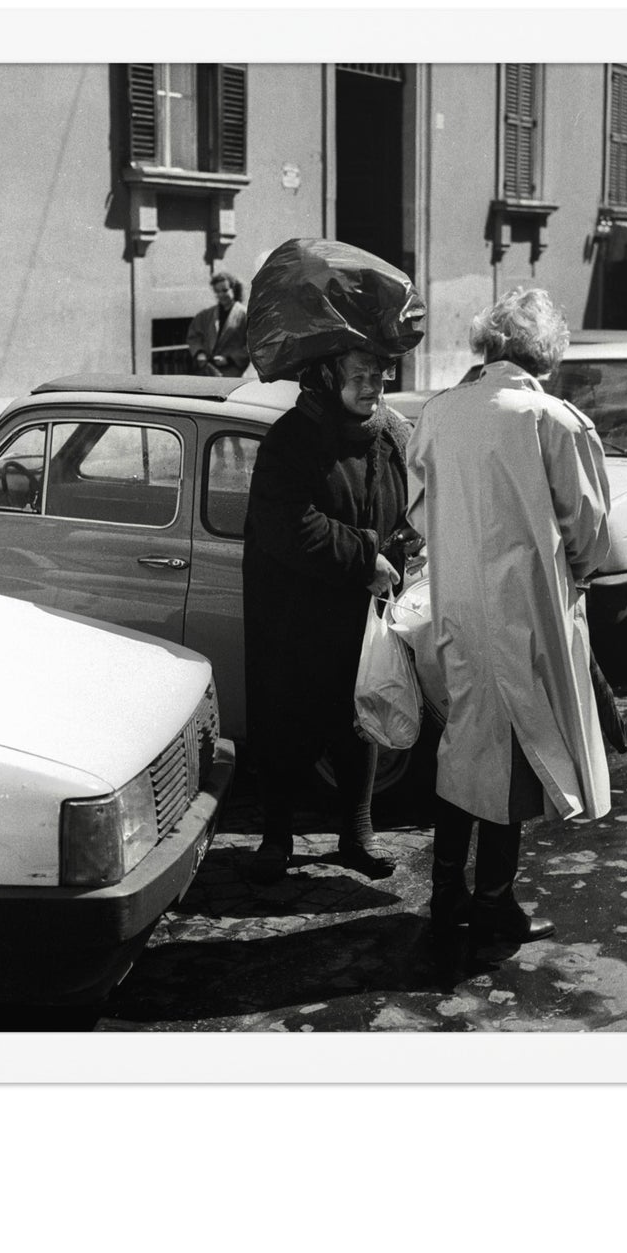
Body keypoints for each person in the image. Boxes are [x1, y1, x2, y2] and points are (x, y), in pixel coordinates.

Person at [406, 287, 613, 947]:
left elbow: (418, 508)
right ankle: (493, 901)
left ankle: (448, 893)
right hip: (527, 605)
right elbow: (588, 529)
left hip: (458, 602)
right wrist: (572, 572)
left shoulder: (440, 411)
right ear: (544, 352)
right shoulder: (552, 420)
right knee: (516, 750)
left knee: (465, 742)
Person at [242, 348, 421, 883]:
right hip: (293, 615)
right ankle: (276, 838)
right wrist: (365, 558)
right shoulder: (290, 439)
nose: (372, 387)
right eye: (358, 376)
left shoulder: (391, 436)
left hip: (358, 614)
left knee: (360, 717)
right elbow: (288, 524)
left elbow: (410, 510)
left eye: (378, 375)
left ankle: (357, 833)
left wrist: (404, 545)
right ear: (326, 378)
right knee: (285, 722)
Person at [188, 271, 250, 376]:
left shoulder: (245, 314)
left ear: (234, 289)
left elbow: (253, 345)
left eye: (225, 290)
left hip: (233, 372)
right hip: (208, 371)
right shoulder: (206, 314)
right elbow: (194, 336)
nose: (221, 295)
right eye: (217, 291)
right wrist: (199, 353)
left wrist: (230, 359)